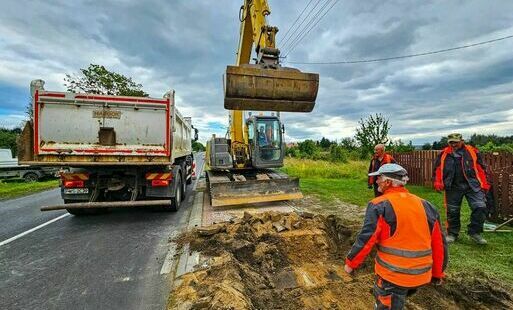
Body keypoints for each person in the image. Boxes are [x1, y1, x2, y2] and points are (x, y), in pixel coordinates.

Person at [345, 163, 447, 310]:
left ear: (387, 182)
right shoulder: (426, 205)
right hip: (421, 275)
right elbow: (439, 243)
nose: (377, 181)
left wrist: (350, 264)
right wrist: (437, 273)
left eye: (379, 178)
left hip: (393, 276)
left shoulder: (379, 205)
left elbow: (366, 238)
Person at [433, 133, 490, 245]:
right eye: (451, 142)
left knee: (480, 207)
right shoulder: (444, 154)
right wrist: (438, 182)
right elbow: (438, 169)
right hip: (453, 185)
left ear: (462, 141)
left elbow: (480, 168)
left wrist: (484, 183)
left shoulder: (472, 151)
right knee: (452, 211)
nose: (453, 144)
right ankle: (452, 233)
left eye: (456, 142)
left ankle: (475, 232)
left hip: (472, 185)